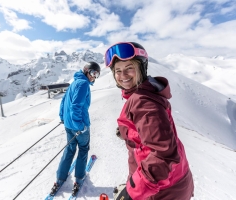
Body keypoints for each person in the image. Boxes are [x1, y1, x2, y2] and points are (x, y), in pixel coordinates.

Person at [105, 42, 194, 200]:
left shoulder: (142, 101)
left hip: (161, 190)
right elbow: (154, 132)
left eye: (129, 68)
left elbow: (163, 154)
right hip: (174, 180)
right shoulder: (147, 92)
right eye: (118, 70)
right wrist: (129, 133)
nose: (123, 75)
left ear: (142, 67)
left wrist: (132, 191)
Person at [50, 61, 101, 196]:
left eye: (97, 75)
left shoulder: (74, 82)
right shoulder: (83, 84)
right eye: (93, 73)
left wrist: (63, 117)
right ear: (86, 71)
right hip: (80, 126)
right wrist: (80, 126)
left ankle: (60, 178)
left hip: (68, 125)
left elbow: (64, 101)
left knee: (70, 149)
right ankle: (79, 178)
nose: (94, 77)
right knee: (83, 149)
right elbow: (75, 106)